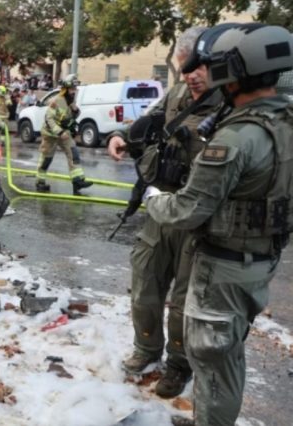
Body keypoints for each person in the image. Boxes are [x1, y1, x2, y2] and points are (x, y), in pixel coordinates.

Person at [143, 23, 293, 426]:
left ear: (234, 72)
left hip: (223, 269)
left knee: (212, 366)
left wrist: (154, 199)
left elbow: (188, 210)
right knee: (227, 356)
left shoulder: (238, 138)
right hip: (260, 260)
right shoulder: (284, 123)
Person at [106, 26, 223, 399]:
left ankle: (178, 364)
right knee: (145, 283)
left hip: (199, 217)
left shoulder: (230, 104)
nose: (190, 76)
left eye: (197, 67)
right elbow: (149, 121)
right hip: (161, 205)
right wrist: (121, 136)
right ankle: (146, 348)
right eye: (184, 68)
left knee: (185, 301)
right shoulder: (176, 95)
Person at [35, 74, 92, 195]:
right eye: (72, 89)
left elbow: (71, 116)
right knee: (46, 159)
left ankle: (77, 181)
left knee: (73, 154)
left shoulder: (71, 101)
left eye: (75, 89)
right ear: (65, 89)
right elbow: (48, 119)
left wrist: (75, 110)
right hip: (51, 134)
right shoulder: (56, 101)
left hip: (65, 133)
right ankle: (40, 182)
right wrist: (59, 132)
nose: (74, 91)